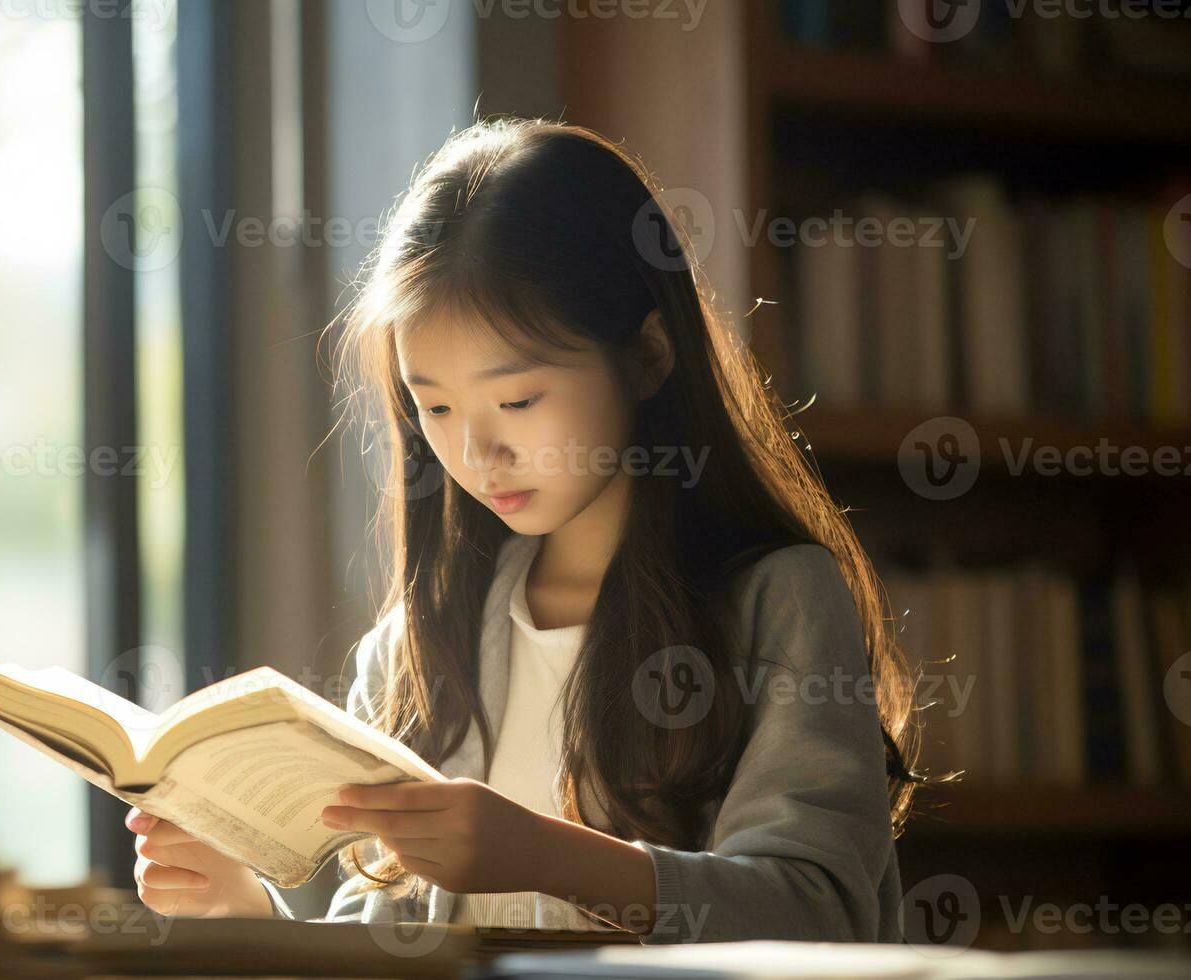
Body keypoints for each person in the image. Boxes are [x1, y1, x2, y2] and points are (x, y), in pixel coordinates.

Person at [127, 117, 927, 943]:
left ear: (648, 356)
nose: (476, 452)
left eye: (517, 401)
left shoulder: (775, 600)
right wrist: (246, 914)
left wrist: (545, 856)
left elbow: (819, 913)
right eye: (434, 406)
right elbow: (381, 944)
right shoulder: (415, 646)